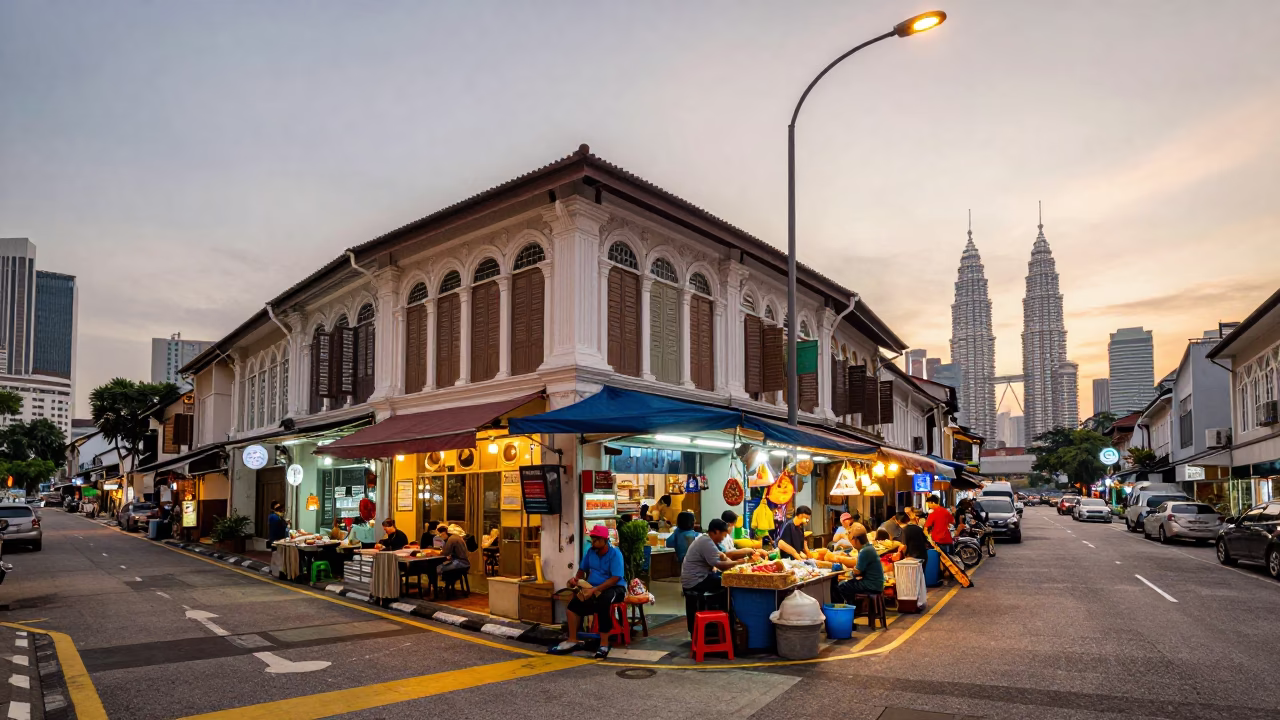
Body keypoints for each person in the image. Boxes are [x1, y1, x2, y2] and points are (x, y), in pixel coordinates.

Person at [550, 525, 626, 659]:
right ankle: (573, 639)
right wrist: (576, 579)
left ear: (604, 540)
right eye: (592, 540)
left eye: (596, 540)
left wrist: (595, 590)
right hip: (592, 587)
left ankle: (603, 644)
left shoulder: (615, 554)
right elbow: (582, 569)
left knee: (604, 603)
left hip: (614, 588)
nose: (594, 543)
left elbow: (615, 578)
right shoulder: (591, 552)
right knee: (573, 606)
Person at [836, 525, 885, 609]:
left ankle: (852, 611)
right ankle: (854, 609)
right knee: (847, 584)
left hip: (871, 585)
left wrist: (849, 572)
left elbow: (857, 572)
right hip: (876, 583)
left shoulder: (864, 551)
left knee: (842, 586)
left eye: (850, 540)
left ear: (855, 540)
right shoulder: (869, 548)